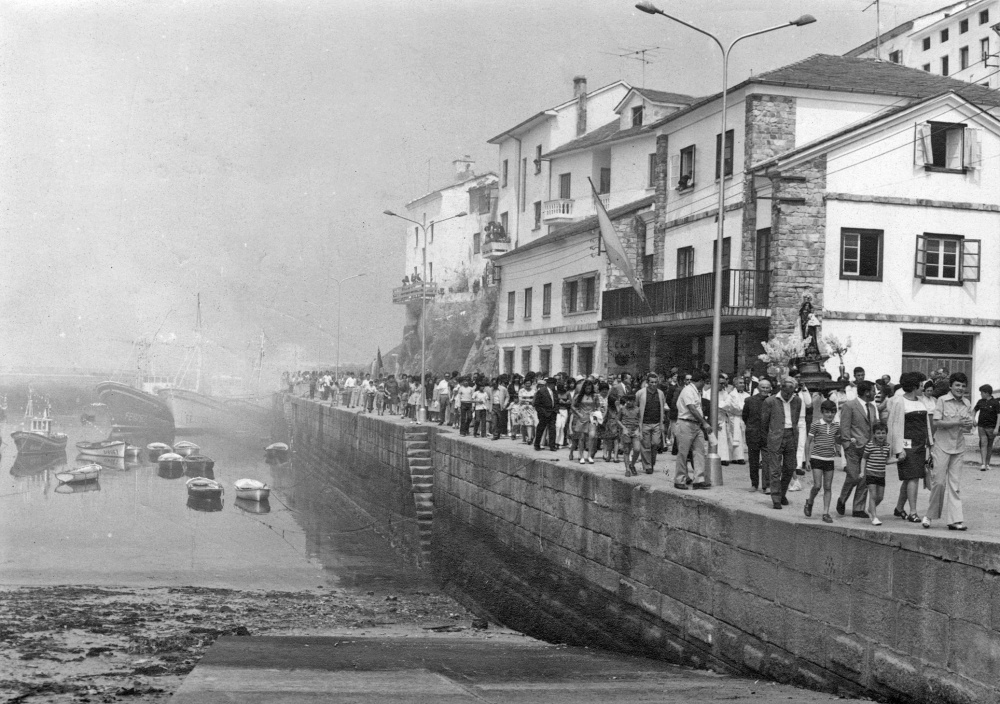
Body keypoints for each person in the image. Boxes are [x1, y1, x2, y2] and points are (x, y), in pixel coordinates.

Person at [928, 372, 974, 531]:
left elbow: (968, 425)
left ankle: (955, 520)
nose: (960, 388)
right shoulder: (942, 400)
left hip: (958, 447)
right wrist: (957, 422)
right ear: (951, 386)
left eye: (963, 386)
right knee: (939, 483)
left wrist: (969, 423)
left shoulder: (967, 403)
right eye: (957, 385)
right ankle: (930, 515)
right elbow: (936, 422)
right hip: (942, 445)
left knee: (955, 485)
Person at [887, 371, 932, 523]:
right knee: (913, 478)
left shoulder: (922, 401)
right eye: (921, 385)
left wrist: (930, 443)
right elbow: (894, 426)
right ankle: (913, 512)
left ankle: (899, 508)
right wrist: (898, 449)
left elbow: (926, 425)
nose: (923, 388)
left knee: (909, 479)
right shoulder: (899, 402)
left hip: (920, 445)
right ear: (914, 386)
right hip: (907, 447)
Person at [761, 376, 802, 509]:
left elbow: (796, 419)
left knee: (790, 468)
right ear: (781, 388)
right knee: (775, 470)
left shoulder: (797, 401)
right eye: (786, 392)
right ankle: (776, 498)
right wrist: (770, 437)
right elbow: (764, 422)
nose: (788, 395)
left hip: (791, 436)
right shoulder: (770, 401)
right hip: (775, 436)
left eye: (791, 393)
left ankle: (782, 493)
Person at [837, 380, 877, 518]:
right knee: (853, 476)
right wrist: (847, 445)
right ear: (866, 392)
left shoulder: (872, 407)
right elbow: (844, 426)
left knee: (865, 478)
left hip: (868, 448)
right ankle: (842, 499)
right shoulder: (849, 405)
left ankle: (858, 508)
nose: (875, 393)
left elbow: (874, 427)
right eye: (873, 391)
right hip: (853, 448)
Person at [804, 400, 840, 523]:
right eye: (827, 412)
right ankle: (810, 501)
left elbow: (837, 440)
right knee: (817, 485)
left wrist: (844, 443)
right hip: (817, 458)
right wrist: (807, 460)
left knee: (828, 487)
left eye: (832, 412)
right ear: (822, 412)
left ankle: (825, 513)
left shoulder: (836, 426)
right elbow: (808, 442)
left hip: (829, 459)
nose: (830, 415)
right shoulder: (816, 424)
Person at [673, 372, 710, 489]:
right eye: (705, 382)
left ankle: (699, 479)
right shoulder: (688, 390)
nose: (705, 385)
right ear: (701, 381)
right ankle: (679, 480)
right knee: (683, 453)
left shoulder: (696, 391)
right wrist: (704, 423)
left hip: (696, 424)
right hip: (685, 423)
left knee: (699, 451)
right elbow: (692, 409)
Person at [860, 422, 897, 526]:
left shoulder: (887, 446)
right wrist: (862, 471)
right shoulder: (870, 445)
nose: (881, 435)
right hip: (870, 473)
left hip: (881, 474)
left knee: (880, 497)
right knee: (873, 495)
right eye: (878, 433)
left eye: (883, 433)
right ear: (874, 434)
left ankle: (870, 509)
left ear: (886, 434)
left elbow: (886, 461)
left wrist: (898, 460)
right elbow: (864, 459)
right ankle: (874, 517)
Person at [742, 378, 772, 493]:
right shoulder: (749, 400)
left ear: (770, 389)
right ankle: (754, 484)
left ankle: (767, 485)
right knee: (753, 460)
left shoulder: (773, 401)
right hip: (753, 434)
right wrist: (751, 427)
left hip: (767, 435)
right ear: (758, 388)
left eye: (767, 388)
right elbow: (745, 416)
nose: (765, 389)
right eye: (763, 387)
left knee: (767, 461)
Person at [635, 373, 668, 476]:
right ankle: (647, 466)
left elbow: (663, 406)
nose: (653, 384)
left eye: (655, 382)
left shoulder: (660, 393)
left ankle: (651, 462)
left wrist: (662, 422)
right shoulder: (640, 393)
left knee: (655, 443)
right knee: (646, 446)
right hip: (645, 423)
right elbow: (636, 406)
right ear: (647, 382)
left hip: (657, 423)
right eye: (651, 382)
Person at [571, 379, 600, 464]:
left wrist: (597, 414)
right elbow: (573, 406)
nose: (588, 390)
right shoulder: (579, 396)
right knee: (582, 438)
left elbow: (598, 406)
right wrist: (578, 414)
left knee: (592, 436)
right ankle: (581, 456)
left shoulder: (595, 396)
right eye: (587, 388)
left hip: (592, 417)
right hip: (582, 417)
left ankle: (589, 455)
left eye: (590, 388)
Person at [973, 384, 1000, 471]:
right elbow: (974, 410)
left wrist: (997, 428)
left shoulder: (995, 402)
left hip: (991, 427)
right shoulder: (980, 402)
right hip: (981, 426)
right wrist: (973, 419)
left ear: (987, 393)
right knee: (983, 444)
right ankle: (983, 464)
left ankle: (987, 463)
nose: (980, 394)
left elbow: (999, 416)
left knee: (989, 445)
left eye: (982, 393)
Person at [616, 393, 642, 476]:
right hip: (626, 431)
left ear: (634, 401)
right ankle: (627, 469)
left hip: (635, 431)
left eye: (630, 400)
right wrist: (623, 428)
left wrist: (639, 430)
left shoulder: (638, 409)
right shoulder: (622, 409)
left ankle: (632, 464)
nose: (628, 402)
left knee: (637, 449)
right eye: (627, 400)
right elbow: (618, 420)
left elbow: (640, 421)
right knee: (626, 450)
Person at [533, 377, 559, 451]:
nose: (554, 386)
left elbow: (556, 401)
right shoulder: (541, 391)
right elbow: (536, 404)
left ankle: (552, 446)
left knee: (552, 430)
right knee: (540, 429)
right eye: (553, 384)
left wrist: (556, 410)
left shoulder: (555, 392)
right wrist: (541, 412)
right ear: (549, 384)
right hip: (544, 413)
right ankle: (537, 444)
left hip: (552, 413)